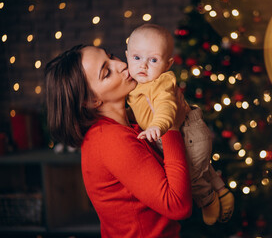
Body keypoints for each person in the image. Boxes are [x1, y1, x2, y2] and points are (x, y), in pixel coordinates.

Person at [45, 44, 192, 238]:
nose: (121, 65)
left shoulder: (128, 123)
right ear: (90, 101)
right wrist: (171, 127)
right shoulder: (110, 140)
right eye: (107, 72)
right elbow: (177, 205)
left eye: (111, 56)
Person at [126, 24, 234, 225]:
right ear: (127, 56)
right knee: (202, 166)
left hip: (184, 132)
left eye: (153, 60)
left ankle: (207, 199)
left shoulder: (159, 83)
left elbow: (166, 105)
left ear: (167, 64)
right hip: (192, 132)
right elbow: (140, 110)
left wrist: (158, 125)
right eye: (137, 58)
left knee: (190, 175)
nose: (143, 66)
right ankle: (222, 190)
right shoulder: (139, 85)